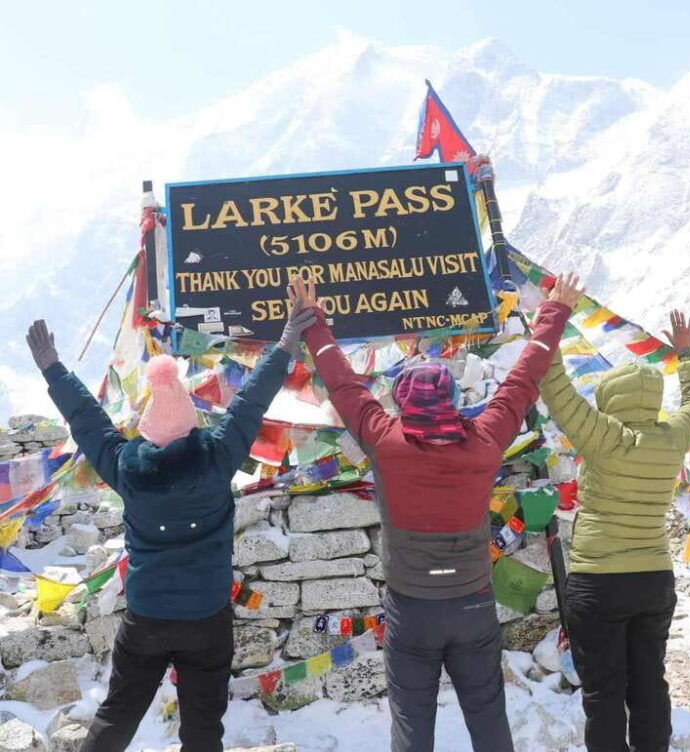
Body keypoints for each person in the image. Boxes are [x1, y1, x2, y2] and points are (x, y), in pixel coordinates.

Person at [288, 272, 583, 752]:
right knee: (488, 715)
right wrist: (555, 313)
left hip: (412, 611)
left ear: (402, 401)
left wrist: (314, 323)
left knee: (412, 720)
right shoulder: (485, 441)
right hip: (471, 604)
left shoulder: (385, 442)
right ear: (451, 400)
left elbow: (342, 383)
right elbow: (523, 379)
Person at [26, 303, 315, 752]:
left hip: (146, 619)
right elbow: (251, 401)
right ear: (191, 426)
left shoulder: (126, 467)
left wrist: (53, 368)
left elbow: (87, 420)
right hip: (206, 618)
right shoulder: (219, 457)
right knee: (203, 729)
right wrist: (284, 344)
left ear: (147, 433)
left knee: (117, 715)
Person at [538, 309, 690, 752]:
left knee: (604, 694)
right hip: (655, 579)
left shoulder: (601, 435)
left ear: (610, 398)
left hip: (598, 584)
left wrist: (549, 325)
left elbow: (555, 387)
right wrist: (685, 354)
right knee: (650, 685)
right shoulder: (673, 437)